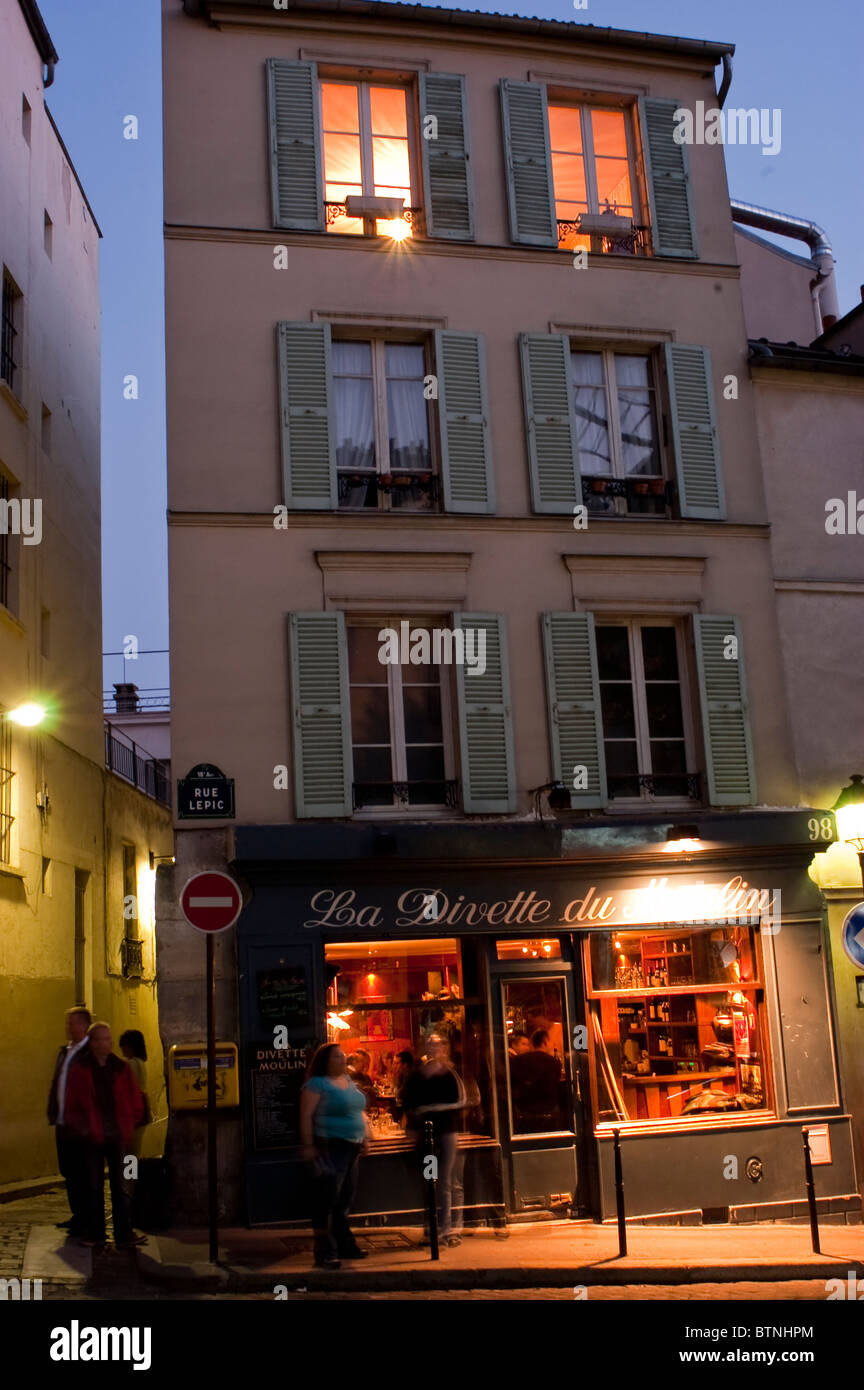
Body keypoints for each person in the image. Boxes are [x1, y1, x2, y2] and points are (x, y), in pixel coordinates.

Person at [64, 1022, 146, 1248]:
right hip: (92, 1137)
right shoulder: (81, 1070)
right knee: (94, 1187)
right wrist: (82, 1128)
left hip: (118, 1136)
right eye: (100, 1039)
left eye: (108, 1039)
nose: (105, 1043)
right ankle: (97, 1233)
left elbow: (134, 1098)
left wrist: (129, 1124)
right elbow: (72, 1105)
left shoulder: (121, 1068)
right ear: (92, 1043)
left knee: (121, 1185)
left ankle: (124, 1231)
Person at [300, 1043, 369, 1269]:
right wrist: (309, 1145)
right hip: (332, 1146)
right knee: (326, 1200)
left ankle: (345, 1245)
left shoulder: (347, 1081)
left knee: (344, 1199)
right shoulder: (316, 1084)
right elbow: (305, 1116)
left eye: (343, 1056)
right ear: (326, 1061)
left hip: (352, 1147)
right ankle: (325, 1252)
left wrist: (366, 1136)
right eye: (338, 1057)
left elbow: (358, 1110)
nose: (343, 1060)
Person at [403, 1033, 467, 1247]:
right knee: (430, 1181)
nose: (433, 1046)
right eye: (429, 1043)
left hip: (447, 1132)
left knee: (445, 1181)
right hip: (425, 1135)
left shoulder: (450, 1074)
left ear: (444, 1048)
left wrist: (431, 1108)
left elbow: (462, 1100)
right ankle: (432, 1229)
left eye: (437, 1043)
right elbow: (407, 1103)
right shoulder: (416, 1075)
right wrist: (411, 1127)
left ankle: (446, 1231)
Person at [47, 1006, 92, 1237]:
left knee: (82, 1172)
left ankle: (87, 1219)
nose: (68, 1027)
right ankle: (77, 1215)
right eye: (68, 1023)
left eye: (72, 1023)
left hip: (80, 1125)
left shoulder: (88, 1054)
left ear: (84, 1026)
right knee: (68, 1171)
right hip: (63, 1122)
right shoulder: (65, 1051)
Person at [508, 1028, 563, 1132]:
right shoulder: (554, 1062)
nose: (553, 1045)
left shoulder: (517, 1060)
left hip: (523, 1110)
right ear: (544, 1042)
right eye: (551, 1042)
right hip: (549, 1110)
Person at [118, 1030, 149, 1156]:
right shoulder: (140, 1063)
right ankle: (131, 1174)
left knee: (129, 1151)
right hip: (142, 1108)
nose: (122, 1049)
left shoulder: (130, 1064)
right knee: (134, 1151)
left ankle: (130, 1175)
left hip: (133, 1110)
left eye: (124, 1045)